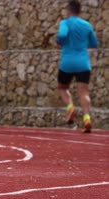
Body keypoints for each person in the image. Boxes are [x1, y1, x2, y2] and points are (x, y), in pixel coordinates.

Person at [56, 0, 98, 133]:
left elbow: (62, 35)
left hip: (67, 63)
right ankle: (86, 118)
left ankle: (70, 108)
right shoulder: (87, 25)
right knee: (83, 92)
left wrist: (60, 42)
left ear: (68, 10)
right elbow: (94, 43)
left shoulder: (65, 23)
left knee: (62, 87)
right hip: (83, 63)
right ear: (80, 11)